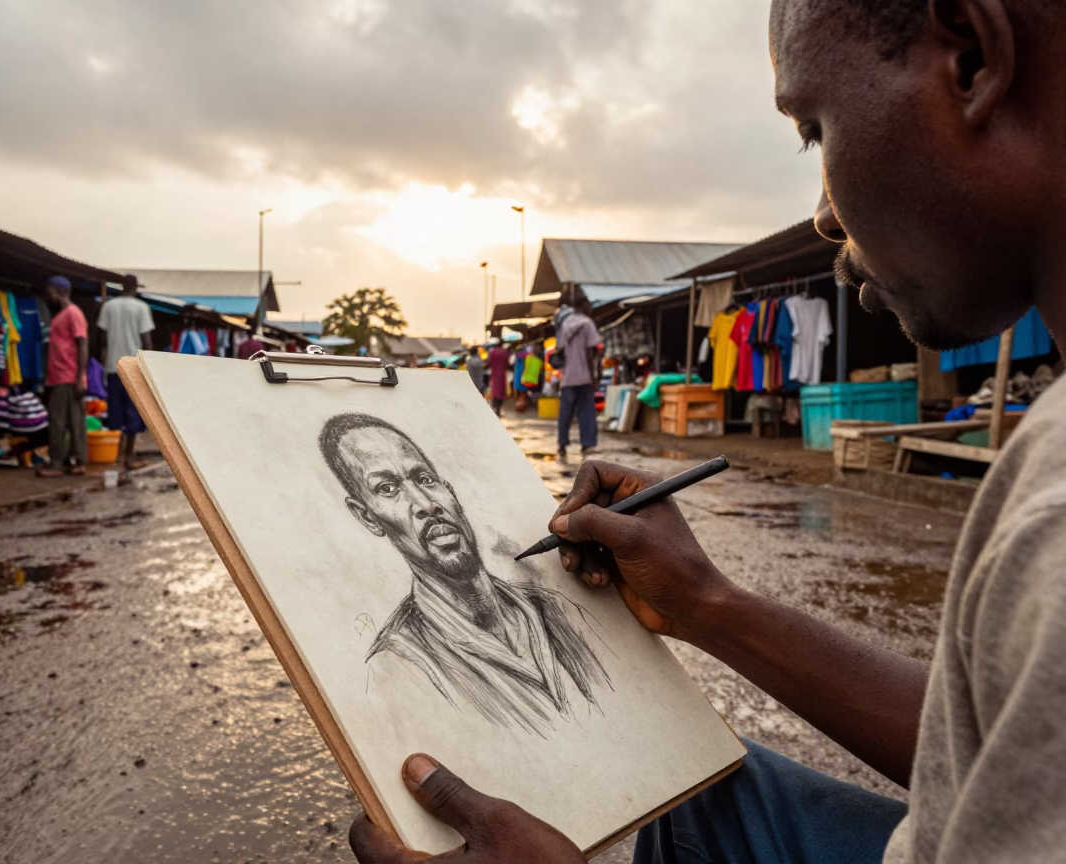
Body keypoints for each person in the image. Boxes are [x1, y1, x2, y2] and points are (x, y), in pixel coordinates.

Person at [349, 1, 1066, 862]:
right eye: (386, 488)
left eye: (814, 129)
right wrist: (705, 602)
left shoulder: (1051, 504)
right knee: (690, 791)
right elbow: (998, 741)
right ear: (363, 519)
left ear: (972, 61)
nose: (826, 217)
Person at [318, 412, 610, 734]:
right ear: (367, 517)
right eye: (388, 488)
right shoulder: (399, 666)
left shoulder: (557, 609)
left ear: (451, 492)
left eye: (425, 479)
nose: (425, 504)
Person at [98, 274, 154, 471]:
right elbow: (146, 341)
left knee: (115, 412)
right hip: (133, 369)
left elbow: (102, 339)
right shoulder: (141, 308)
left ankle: (116, 455)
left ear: (122, 286)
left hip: (113, 367)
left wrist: (105, 361)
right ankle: (129, 457)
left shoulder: (109, 306)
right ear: (136, 287)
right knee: (132, 413)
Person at [36, 276, 87, 478]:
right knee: (63, 421)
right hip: (58, 376)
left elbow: (82, 344)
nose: (48, 297)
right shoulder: (61, 316)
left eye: (51, 292)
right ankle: (69, 460)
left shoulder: (73, 314)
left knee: (64, 421)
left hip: (68, 375)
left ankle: (61, 462)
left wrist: (80, 376)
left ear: (62, 291)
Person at [556, 295, 601, 458]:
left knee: (565, 412)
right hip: (584, 376)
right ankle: (587, 444)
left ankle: (562, 444)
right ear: (584, 305)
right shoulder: (587, 323)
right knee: (586, 411)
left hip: (568, 376)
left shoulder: (564, 324)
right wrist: (593, 375)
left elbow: (559, 349)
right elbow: (590, 351)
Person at [486, 338, 508, 416]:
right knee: (501, 392)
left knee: (495, 391)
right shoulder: (504, 352)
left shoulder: (492, 352)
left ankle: (495, 409)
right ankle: (498, 409)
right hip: (502, 375)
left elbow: (488, 363)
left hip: (494, 374)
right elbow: (507, 363)